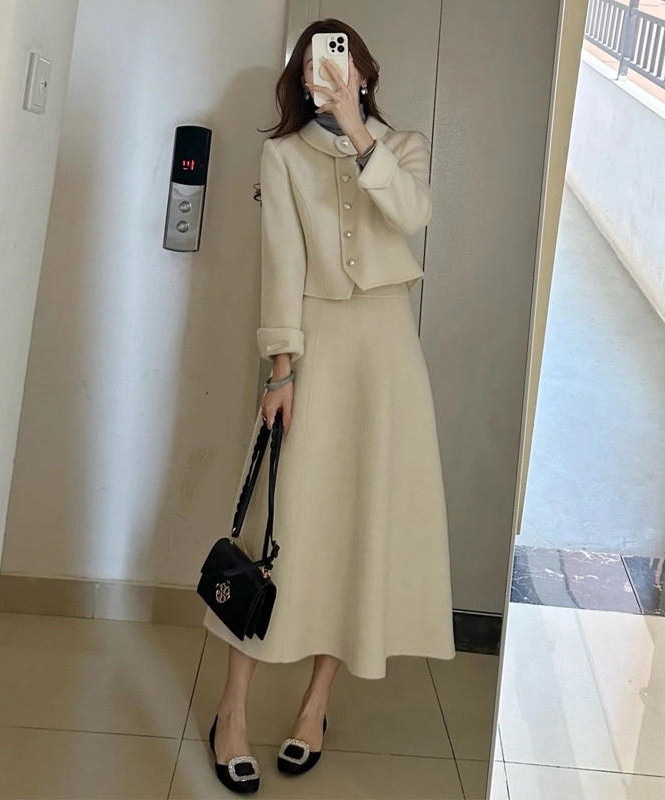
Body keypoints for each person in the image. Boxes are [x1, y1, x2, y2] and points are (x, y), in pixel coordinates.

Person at [202, 18, 456, 794]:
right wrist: (280, 371)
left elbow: (413, 215)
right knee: (279, 528)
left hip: (386, 355)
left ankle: (315, 707)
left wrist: (357, 128)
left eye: (342, 63)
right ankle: (233, 711)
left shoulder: (402, 147)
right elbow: (282, 260)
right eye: (316, 65)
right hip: (314, 347)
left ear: (363, 73)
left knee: (359, 525)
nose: (331, 73)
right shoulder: (282, 155)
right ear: (301, 77)